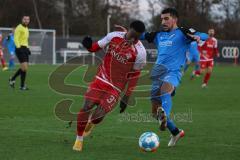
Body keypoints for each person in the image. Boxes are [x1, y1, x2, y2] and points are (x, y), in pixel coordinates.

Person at [73, 20, 147, 152]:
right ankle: (79, 139)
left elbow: (134, 75)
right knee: (86, 107)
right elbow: (95, 47)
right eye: (133, 35)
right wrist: (88, 46)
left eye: (137, 37)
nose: (134, 39)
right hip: (100, 80)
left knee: (98, 116)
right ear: (129, 29)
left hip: (116, 88)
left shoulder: (140, 52)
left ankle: (92, 123)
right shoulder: (114, 36)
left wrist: (127, 96)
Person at [139, 8, 208, 147]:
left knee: (166, 90)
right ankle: (176, 132)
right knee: (154, 111)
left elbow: (204, 35)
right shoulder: (158, 34)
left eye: (166, 18)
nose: (163, 21)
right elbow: (141, 36)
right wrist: (128, 34)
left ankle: (163, 118)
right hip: (158, 73)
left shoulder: (183, 32)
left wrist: (199, 37)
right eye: (162, 19)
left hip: (174, 72)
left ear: (174, 19)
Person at [9, 15, 31, 90]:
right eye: (25, 19)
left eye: (27, 19)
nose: (26, 20)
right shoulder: (19, 27)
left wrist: (28, 48)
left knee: (24, 68)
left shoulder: (27, 28)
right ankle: (20, 84)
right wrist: (18, 48)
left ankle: (14, 80)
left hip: (25, 48)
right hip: (20, 48)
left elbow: (25, 40)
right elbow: (16, 38)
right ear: (22, 20)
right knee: (24, 67)